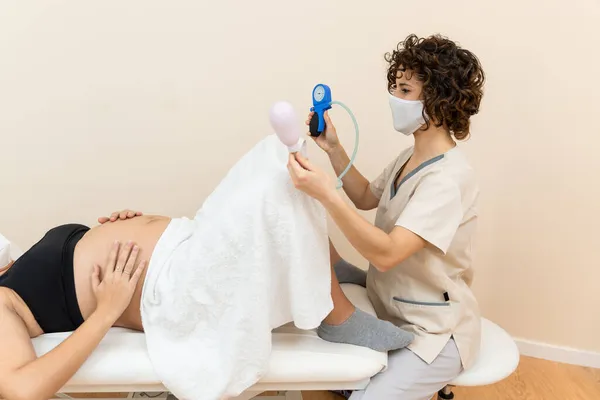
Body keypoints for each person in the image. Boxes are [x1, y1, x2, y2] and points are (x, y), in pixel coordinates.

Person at [0, 204, 412, 396]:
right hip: (170, 292)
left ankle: (328, 267)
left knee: (288, 187)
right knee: (279, 195)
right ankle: (336, 317)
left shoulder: (12, 267)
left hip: (179, 253)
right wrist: (106, 311)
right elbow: (22, 389)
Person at [287, 33, 485, 399]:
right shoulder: (409, 158)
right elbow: (364, 196)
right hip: (388, 304)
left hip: (433, 331)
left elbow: (388, 253)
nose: (395, 99)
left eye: (405, 90)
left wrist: (327, 195)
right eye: (395, 88)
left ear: (439, 100)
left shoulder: (448, 178)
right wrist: (333, 148)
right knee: (313, 372)